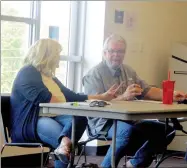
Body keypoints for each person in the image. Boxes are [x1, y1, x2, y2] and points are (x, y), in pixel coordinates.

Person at [10, 38, 119, 168]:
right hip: (32, 122)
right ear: (47, 55)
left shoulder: (49, 76)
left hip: (54, 116)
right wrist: (70, 102)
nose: (59, 59)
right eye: (57, 55)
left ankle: (64, 144)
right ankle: (64, 145)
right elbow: (47, 99)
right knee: (62, 138)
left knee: (79, 118)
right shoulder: (27, 72)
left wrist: (102, 97)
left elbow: (71, 96)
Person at [82, 34, 186, 168]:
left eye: (120, 51)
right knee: (125, 131)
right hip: (103, 122)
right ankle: (105, 166)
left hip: (129, 119)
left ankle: (134, 164)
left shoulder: (128, 71)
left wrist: (172, 94)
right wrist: (123, 97)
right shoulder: (94, 74)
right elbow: (95, 104)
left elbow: (147, 91)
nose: (116, 55)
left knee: (166, 131)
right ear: (104, 53)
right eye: (113, 51)